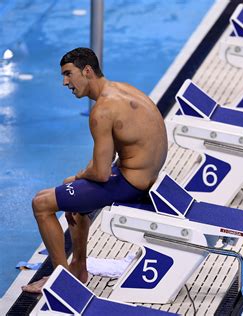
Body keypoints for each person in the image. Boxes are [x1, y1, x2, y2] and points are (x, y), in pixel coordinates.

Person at [22, 47, 168, 293]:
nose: (65, 82)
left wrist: (78, 177)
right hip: (146, 177)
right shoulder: (121, 90)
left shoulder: (101, 110)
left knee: (42, 203)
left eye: (68, 74)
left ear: (87, 71)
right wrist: (78, 182)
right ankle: (79, 269)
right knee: (74, 197)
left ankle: (60, 281)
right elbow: (109, 158)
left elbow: (100, 174)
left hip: (130, 184)